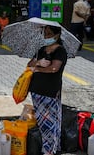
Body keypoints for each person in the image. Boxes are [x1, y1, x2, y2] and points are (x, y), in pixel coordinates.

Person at [27, 25, 67, 155]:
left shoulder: (60, 51)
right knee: (44, 122)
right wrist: (38, 62)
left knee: (51, 123)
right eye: (45, 33)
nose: (46, 37)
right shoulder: (41, 50)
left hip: (50, 92)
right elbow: (29, 65)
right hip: (36, 92)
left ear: (57, 35)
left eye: (49, 34)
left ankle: (50, 150)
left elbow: (54, 68)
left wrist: (37, 69)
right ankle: (50, 149)